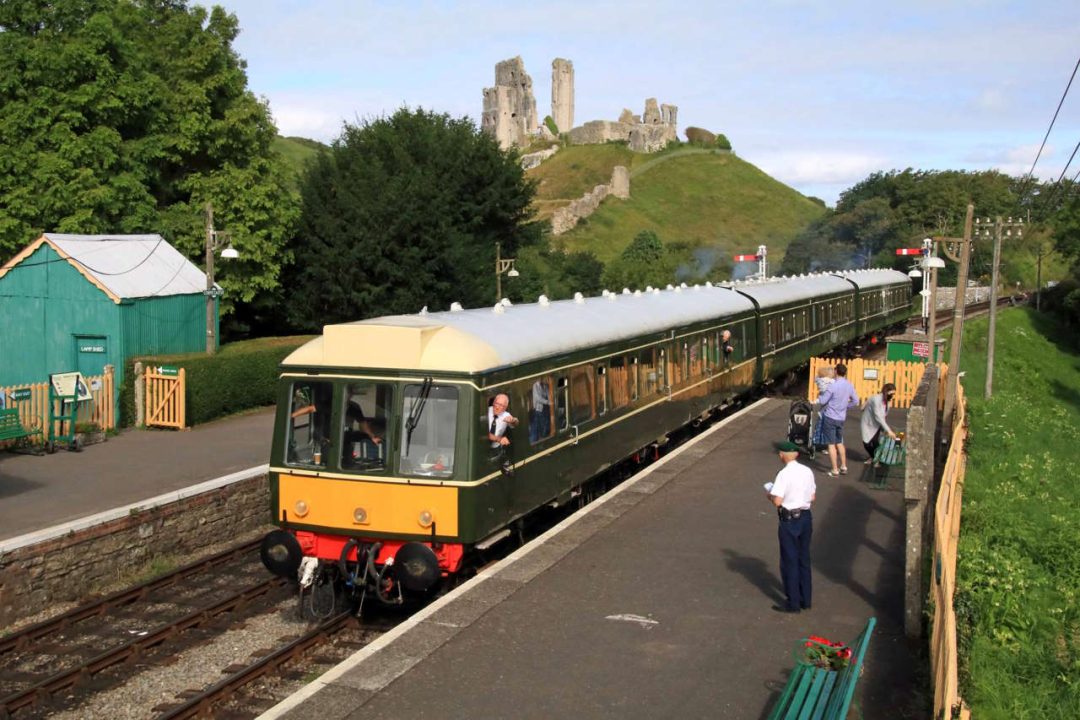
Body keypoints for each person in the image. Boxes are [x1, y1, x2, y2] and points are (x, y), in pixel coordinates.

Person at [765, 440, 816, 614]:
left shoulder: (783, 474)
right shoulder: (808, 471)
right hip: (806, 518)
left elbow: (778, 501)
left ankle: (793, 603)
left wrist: (770, 495)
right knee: (804, 559)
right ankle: (806, 600)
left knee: (789, 561)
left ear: (782, 455)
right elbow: (813, 496)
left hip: (789, 521)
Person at [815, 363, 859, 477]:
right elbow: (855, 401)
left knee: (831, 444)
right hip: (841, 417)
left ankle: (835, 470)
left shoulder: (833, 386)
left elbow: (823, 401)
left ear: (836, 372)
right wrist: (845, 406)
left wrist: (819, 396)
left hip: (830, 417)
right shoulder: (849, 385)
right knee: (839, 442)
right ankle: (844, 466)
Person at [860, 382, 897, 464]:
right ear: (886, 392)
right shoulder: (876, 399)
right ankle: (874, 457)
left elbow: (883, 415)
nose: (893, 396)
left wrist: (885, 427)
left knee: (875, 441)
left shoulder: (887, 401)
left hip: (878, 424)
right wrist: (889, 431)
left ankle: (876, 459)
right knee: (866, 443)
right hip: (868, 423)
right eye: (892, 393)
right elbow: (878, 416)